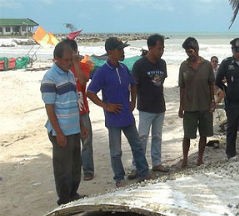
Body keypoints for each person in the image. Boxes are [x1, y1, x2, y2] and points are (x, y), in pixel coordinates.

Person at [87, 37, 150, 187]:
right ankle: (119, 178)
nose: (122, 52)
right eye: (119, 49)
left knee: (137, 146)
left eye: (123, 49)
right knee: (116, 151)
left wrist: (133, 101)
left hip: (127, 117)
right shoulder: (102, 72)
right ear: (110, 52)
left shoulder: (123, 69)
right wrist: (106, 106)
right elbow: (90, 92)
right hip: (113, 119)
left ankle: (144, 172)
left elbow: (133, 85)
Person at [40, 41, 87, 205]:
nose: (69, 63)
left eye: (70, 59)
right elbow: (50, 108)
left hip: (74, 128)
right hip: (60, 131)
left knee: (75, 165)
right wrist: (59, 132)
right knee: (63, 168)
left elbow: (75, 102)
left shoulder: (69, 74)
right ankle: (64, 199)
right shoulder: (49, 78)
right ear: (56, 60)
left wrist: (81, 125)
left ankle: (73, 194)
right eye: (66, 60)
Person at [130, 34, 169, 178]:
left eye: (163, 48)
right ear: (150, 48)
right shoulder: (140, 65)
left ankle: (157, 163)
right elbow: (134, 85)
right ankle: (137, 165)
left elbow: (161, 81)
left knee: (157, 136)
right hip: (145, 107)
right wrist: (133, 101)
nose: (162, 51)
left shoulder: (162, 63)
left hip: (160, 106)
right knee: (142, 137)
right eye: (159, 48)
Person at [178, 37, 216, 167]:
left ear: (197, 49)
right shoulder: (183, 66)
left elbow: (211, 84)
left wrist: (213, 101)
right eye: (187, 52)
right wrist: (180, 106)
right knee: (187, 135)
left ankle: (200, 158)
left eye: (191, 51)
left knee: (204, 134)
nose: (189, 54)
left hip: (205, 106)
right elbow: (182, 87)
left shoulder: (207, 65)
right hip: (189, 107)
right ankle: (185, 159)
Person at [63, 38, 95, 181]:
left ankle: (88, 170)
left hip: (83, 111)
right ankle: (72, 172)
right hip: (68, 113)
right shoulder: (62, 68)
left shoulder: (83, 65)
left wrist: (76, 63)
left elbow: (83, 81)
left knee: (86, 142)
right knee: (71, 145)